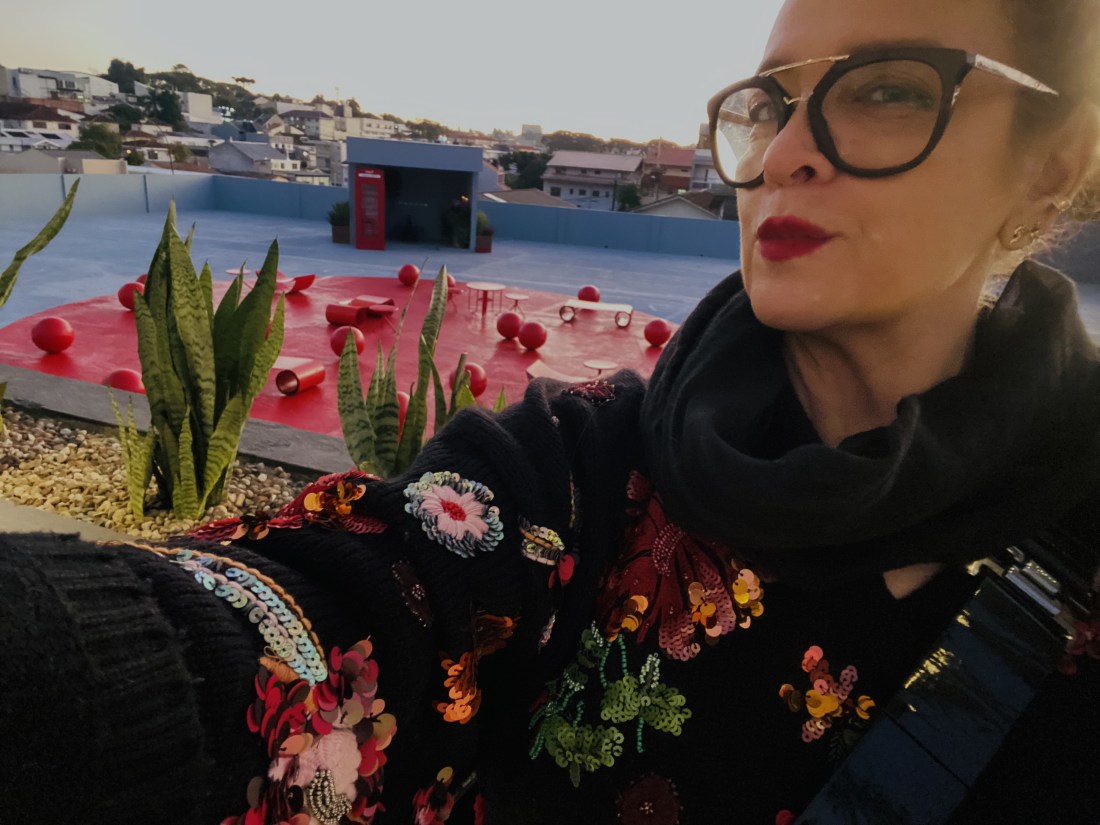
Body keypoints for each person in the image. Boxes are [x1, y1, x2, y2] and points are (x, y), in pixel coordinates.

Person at [3, 0, 1099, 822]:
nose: (781, 155)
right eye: (771, 104)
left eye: (887, 89)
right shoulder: (585, 467)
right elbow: (349, 598)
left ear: (1052, 165)